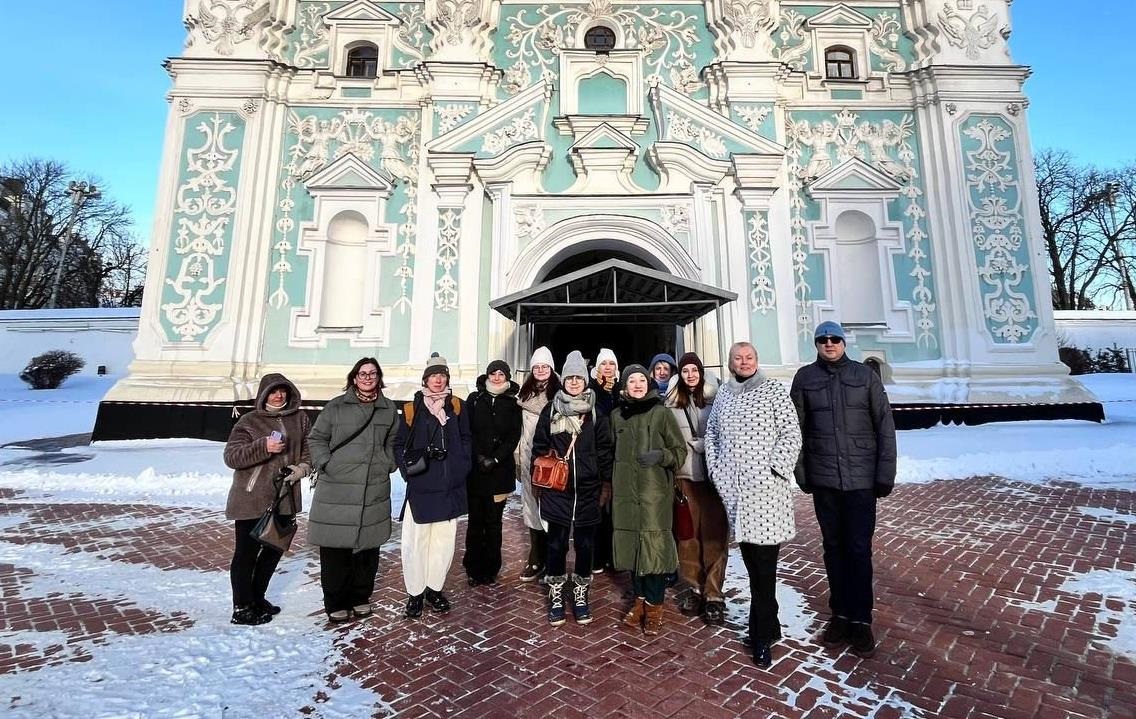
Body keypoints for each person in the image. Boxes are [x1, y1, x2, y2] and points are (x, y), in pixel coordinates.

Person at [790, 321, 896, 659]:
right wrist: (802, 472)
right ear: (816, 344)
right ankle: (840, 615)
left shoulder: (865, 376)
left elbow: (885, 425)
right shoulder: (805, 378)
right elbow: (794, 429)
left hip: (861, 480)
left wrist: (885, 474)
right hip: (825, 480)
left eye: (835, 339)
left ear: (843, 343)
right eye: (823, 340)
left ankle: (861, 619)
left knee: (859, 550)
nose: (829, 344)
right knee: (833, 549)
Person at [705, 342, 802, 668]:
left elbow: (791, 433)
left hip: (766, 494)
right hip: (735, 494)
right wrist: (717, 471)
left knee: (764, 567)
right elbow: (712, 435)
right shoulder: (724, 394)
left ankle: (760, 635)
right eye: (738, 358)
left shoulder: (774, 391)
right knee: (752, 564)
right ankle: (769, 624)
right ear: (730, 363)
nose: (744, 362)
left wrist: (774, 470)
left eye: (749, 357)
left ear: (756, 361)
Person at [307, 359, 399, 623]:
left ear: (379, 377)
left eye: (373, 373)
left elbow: (392, 442)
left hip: (373, 486)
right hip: (337, 487)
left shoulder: (388, 409)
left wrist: (387, 463)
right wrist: (326, 463)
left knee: (368, 548)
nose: (368, 377)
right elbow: (316, 438)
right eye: (362, 373)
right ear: (354, 377)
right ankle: (335, 601)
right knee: (335, 548)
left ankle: (360, 596)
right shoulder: (336, 406)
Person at [531, 350, 613, 626]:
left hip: (588, 490)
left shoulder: (596, 412)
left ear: (585, 381)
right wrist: (538, 480)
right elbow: (539, 447)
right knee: (556, 544)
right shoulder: (550, 410)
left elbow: (605, 450)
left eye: (578, 377)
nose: (574, 382)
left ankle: (580, 593)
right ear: (563, 380)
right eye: (570, 378)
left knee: (585, 545)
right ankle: (556, 592)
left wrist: (605, 482)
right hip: (558, 489)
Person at [224, 373, 311, 625]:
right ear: (264, 394)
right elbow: (232, 456)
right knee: (246, 554)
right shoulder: (249, 421)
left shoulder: (300, 419)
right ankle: (242, 607)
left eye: (282, 390)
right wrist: (263, 447)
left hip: (284, 497)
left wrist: (303, 467)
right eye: (273, 391)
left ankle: (257, 597)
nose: (278, 395)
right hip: (251, 499)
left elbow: (309, 448)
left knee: (274, 550)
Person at [394, 353, 472, 618]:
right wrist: (408, 472)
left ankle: (434, 589)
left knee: (443, 543)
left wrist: (462, 466)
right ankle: (415, 593)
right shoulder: (411, 409)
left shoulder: (457, 406)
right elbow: (399, 444)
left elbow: (466, 439)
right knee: (415, 542)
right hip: (421, 486)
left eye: (442, 376)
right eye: (433, 376)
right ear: (425, 379)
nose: (438, 380)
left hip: (449, 487)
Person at [611, 364, 687, 636]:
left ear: (649, 384)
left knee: (654, 550)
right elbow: (609, 451)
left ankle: (655, 607)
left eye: (641, 380)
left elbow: (679, 451)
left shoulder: (661, 413)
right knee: (633, 549)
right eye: (632, 381)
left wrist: (661, 456)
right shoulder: (617, 416)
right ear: (624, 386)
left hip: (654, 494)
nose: (637, 385)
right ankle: (640, 602)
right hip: (625, 494)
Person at [665, 352, 729, 625]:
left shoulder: (719, 399)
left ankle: (713, 593)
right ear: (680, 375)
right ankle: (694, 587)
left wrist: (709, 446)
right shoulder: (670, 403)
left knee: (715, 535)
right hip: (684, 477)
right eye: (685, 371)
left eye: (694, 370)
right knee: (687, 535)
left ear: (701, 373)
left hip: (713, 478)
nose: (690, 375)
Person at [464, 359, 522, 586]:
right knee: (475, 522)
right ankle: (473, 568)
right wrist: (478, 456)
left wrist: (496, 458)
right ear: (487, 376)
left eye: (501, 374)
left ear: (507, 377)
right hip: (476, 472)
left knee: (494, 523)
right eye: (493, 373)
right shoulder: (474, 399)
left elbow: (513, 436)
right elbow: (467, 431)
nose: (497, 377)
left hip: (499, 472)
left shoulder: (513, 404)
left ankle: (490, 568)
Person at [514, 346, 561, 582]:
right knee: (531, 507)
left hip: (551, 461)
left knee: (552, 508)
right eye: (537, 367)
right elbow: (519, 430)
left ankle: (553, 559)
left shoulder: (560, 395)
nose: (541, 370)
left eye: (545, 366)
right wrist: (517, 457)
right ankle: (536, 556)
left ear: (551, 369)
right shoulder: (524, 395)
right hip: (527, 459)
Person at [588, 348, 620, 574]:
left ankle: (613, 556)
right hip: (598, 453)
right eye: (604, 364)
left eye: (611, 364)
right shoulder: (591, 391)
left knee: (616, 509)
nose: (607, 368)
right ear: (597, 368)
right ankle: (597, 555)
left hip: (619, 454)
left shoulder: (621, 389)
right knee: (599, 506)